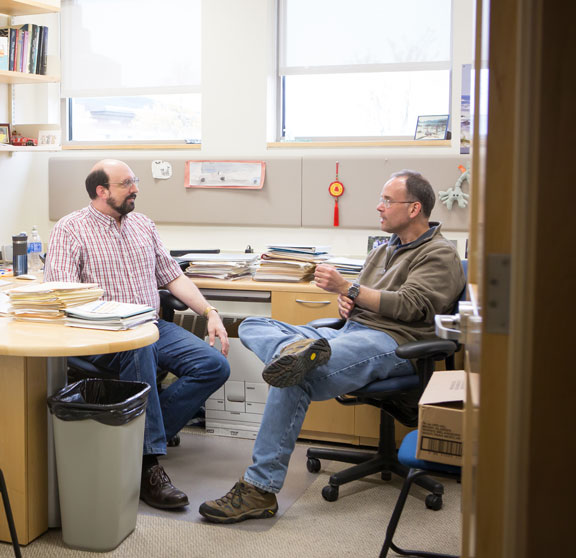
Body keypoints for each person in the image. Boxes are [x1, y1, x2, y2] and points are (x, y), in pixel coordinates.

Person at [199, 170, 465, 523]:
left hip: (394, 342)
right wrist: (350, 304)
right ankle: (295, 353)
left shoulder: (439, 254)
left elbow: (410, 306)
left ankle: (260, 489)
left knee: (294, 377)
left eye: (387, 200)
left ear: (414, 208)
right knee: (253, 324)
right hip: (351, 331)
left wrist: (349, 290)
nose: (379, 207)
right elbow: (363, 297)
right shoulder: (384, 249)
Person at [44, 159, 231, 510]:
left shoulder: (143, 224)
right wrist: (112, 320)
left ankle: (132, 444)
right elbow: (61, 295)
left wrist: (210, 312)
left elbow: (172, 276)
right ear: (102, 191)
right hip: (103, 335)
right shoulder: (71, 229)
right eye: (127, 183)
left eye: (135, 181)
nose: (136, 189)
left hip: (151, 326)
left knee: (213, 365)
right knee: (138, 348)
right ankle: (147, 467)